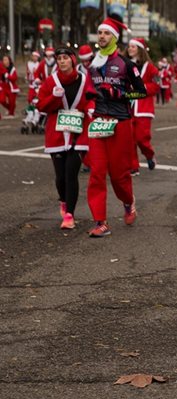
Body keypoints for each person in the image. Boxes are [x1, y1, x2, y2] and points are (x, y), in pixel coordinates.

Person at [86, 15, 147, 237]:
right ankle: (100, 222)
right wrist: (89, 104)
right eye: (100, 32)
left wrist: (121, 93)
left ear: (114, 38)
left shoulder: (126, 65)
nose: (102, 36)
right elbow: (88, 91)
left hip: (120, 123)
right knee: (96, 173)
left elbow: (141, 91)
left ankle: (128, 202)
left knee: (119, 175)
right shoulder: (92, 64)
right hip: (98, 122)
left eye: (106, 33)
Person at [36, 47, 96, 229]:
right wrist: (54, 98)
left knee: (71, 174)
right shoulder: (50, 81)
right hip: (57, 134)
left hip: (79, 132)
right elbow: (41, 107)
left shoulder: (84, 80)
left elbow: (91, 98)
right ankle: (63, 200)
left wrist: (91, 108)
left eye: (65, 58)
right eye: (59, 58)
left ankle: (69, 214)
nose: (62, 61)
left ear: (72, 60)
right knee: (60, 177)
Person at [126, 37, 159, 176]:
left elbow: (156, 85)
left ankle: (149, 155)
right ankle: (133, 166)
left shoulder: (150, 67)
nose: (130, 49)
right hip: (128, 106)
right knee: (129, 139)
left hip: (143, 108)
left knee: (141, 138)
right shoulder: (125, 64)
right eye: (129, 46)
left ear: (140, 49)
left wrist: (141, 87)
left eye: (133, 46)